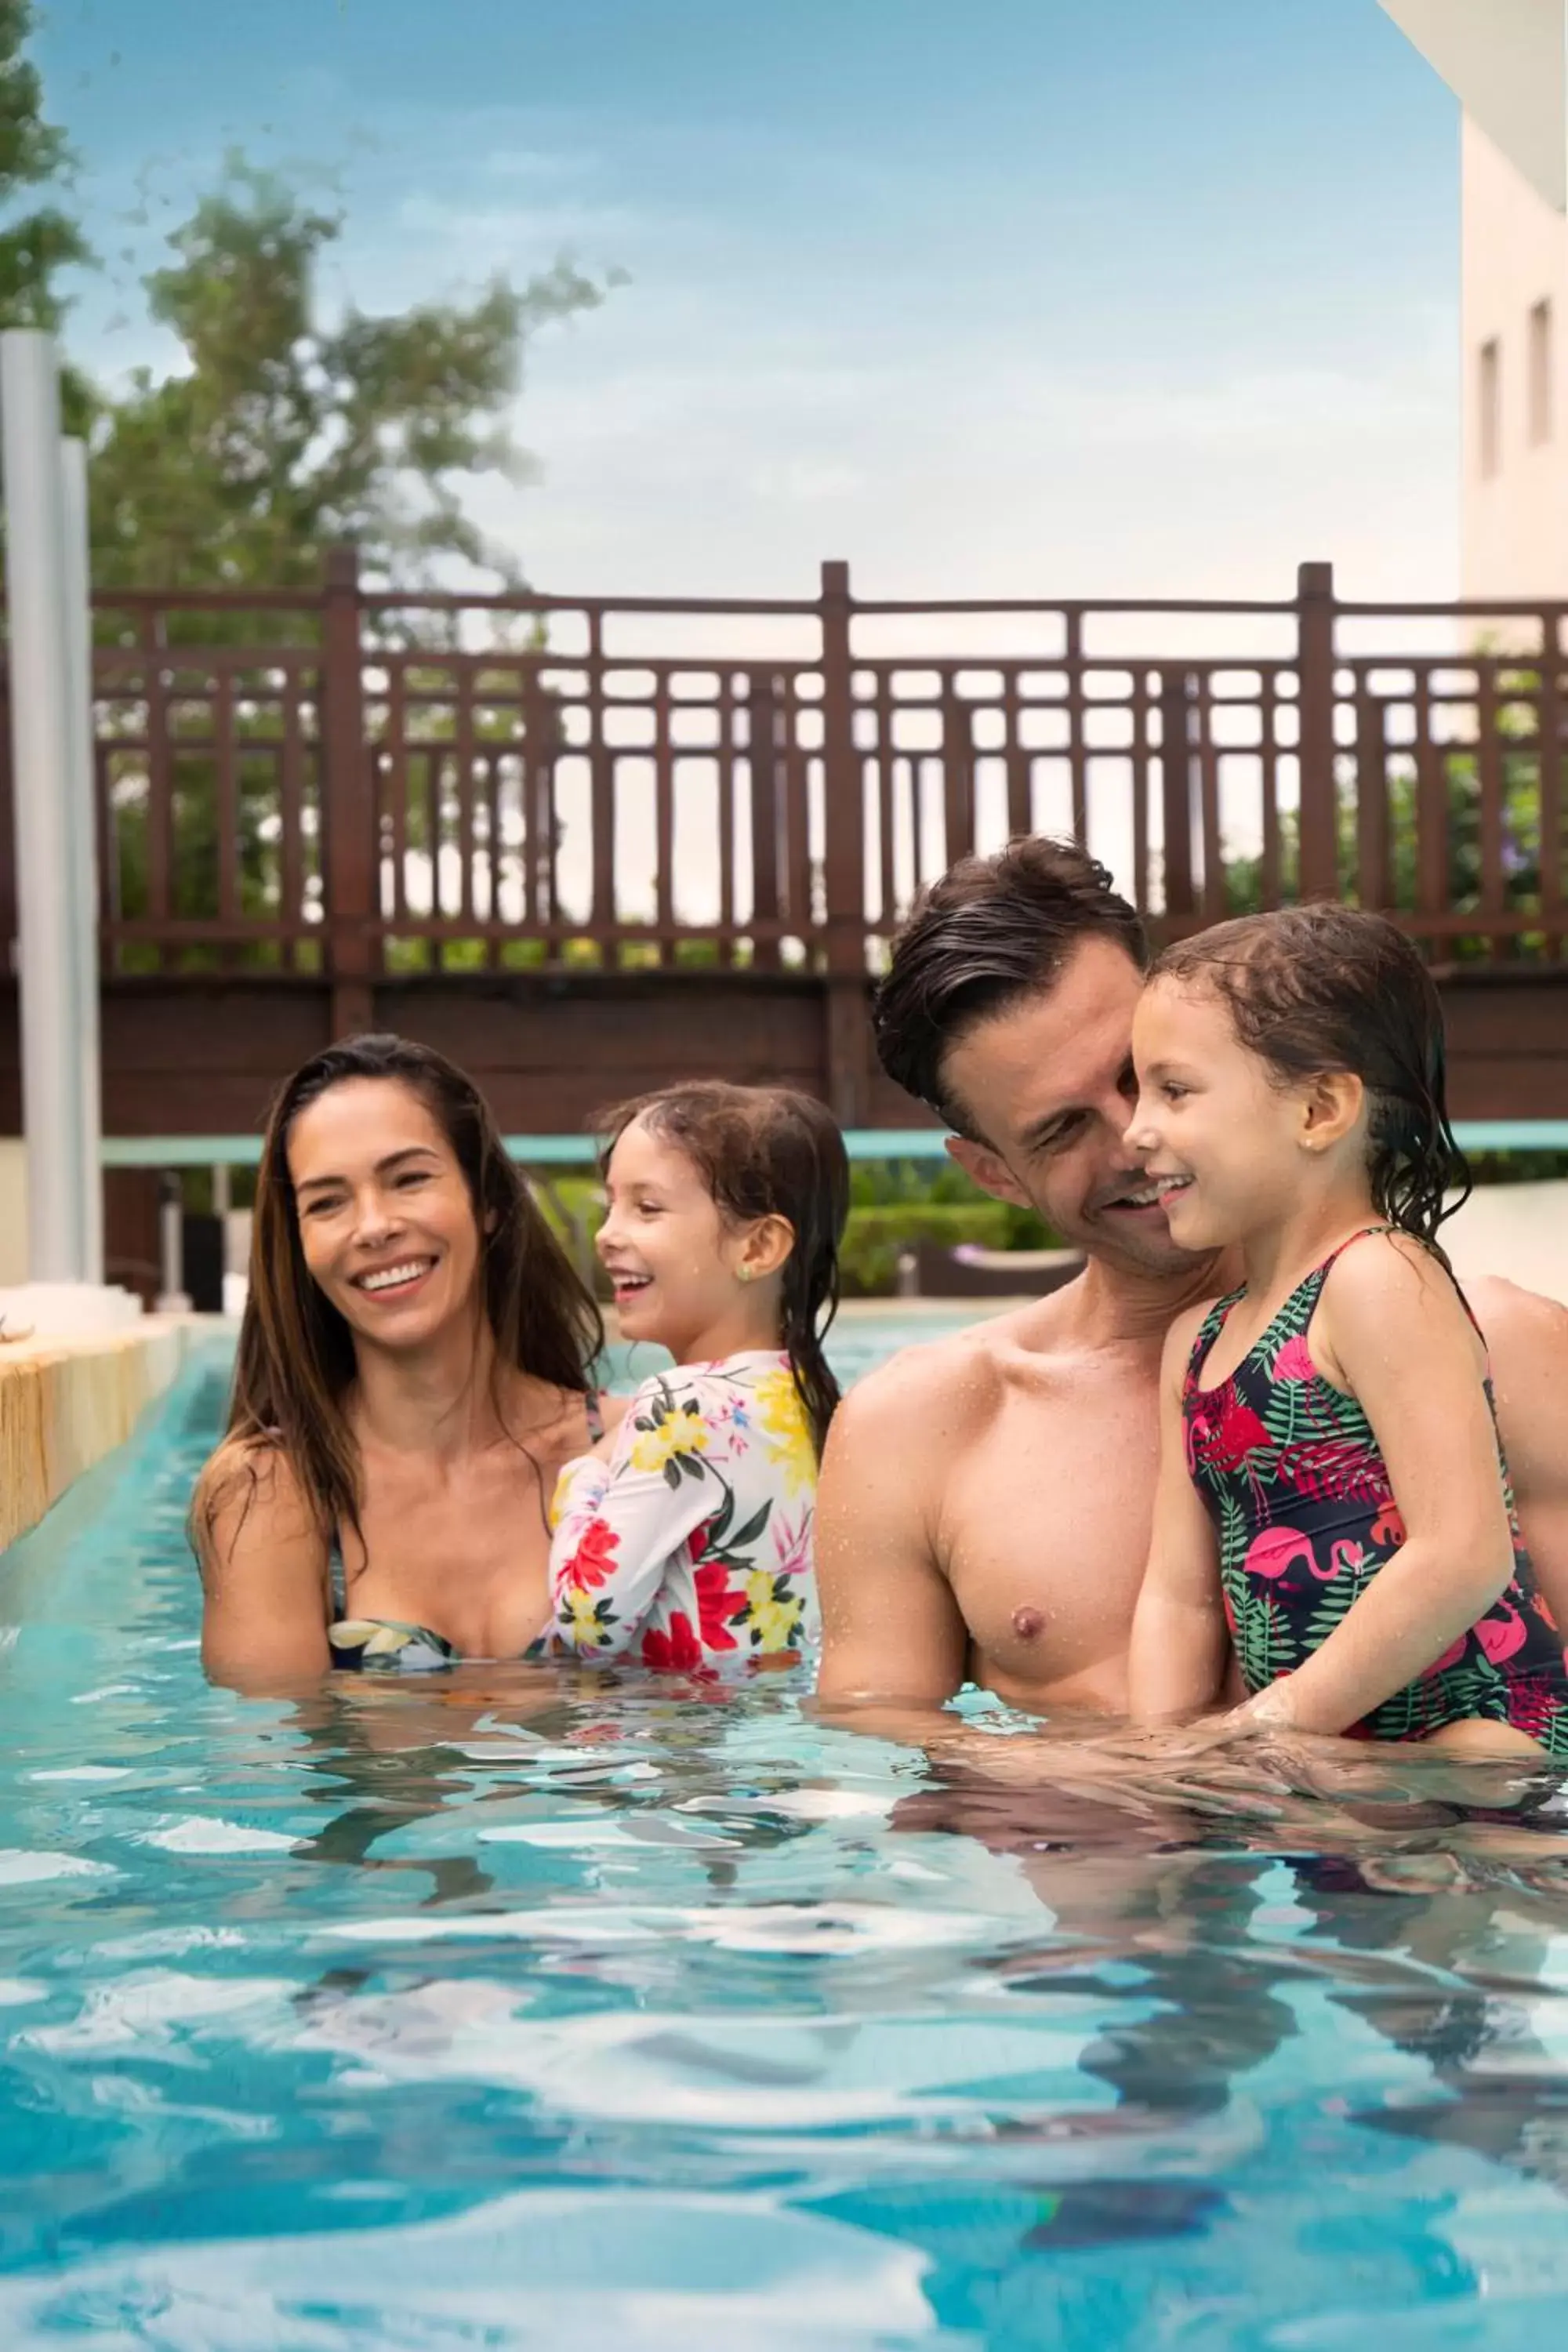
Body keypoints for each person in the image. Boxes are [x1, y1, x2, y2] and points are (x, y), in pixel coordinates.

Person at [814, 837, 1568, 1719]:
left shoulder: (1500, 1353)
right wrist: (1150, 1781)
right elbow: (877, 1745)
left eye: (1151, 1079)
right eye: (1061, 1131)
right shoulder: (916, 1433)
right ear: (994, 1175)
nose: (1135, 1137)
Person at [1126, 905, 1568, 1758]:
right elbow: (1175, 1598)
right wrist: (1161, 1753)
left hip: (1482, 1734)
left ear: (1319, 1109)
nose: (1136, 1131)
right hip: (1320, 1754)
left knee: (1468, 1765)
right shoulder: (1195, 1342)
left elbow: (1462, 1553)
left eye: (1173, 1091)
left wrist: (1271, 1723)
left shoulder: (1376, 1279)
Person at [194, 1033, 622, 1690]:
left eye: (409, 1179)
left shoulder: (631, 1448)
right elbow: (267, 1776)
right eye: (327, 1202)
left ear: (488, 1204)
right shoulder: (270, 1494)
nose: (373, 1226)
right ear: (300, 1244)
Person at [544, 1081, 849, 1669]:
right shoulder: (816, 1398)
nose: (608, 1233)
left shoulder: (679, 1404)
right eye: (610, 1204)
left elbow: (587, 1621)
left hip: (681, 1745)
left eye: (646, 1207)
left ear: (758, 1247)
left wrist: (582, 1474)